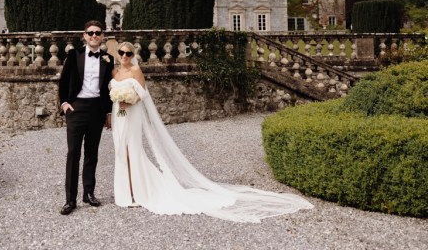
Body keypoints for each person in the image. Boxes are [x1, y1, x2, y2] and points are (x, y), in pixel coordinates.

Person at [109, 42, 314, 222]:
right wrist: (118, 102)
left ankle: (138, 192)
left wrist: (130, 100)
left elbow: (143, 95)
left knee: (132, 149)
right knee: (120, 150)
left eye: (128, 53)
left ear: (132, 55)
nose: (125, 56)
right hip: (119, 113)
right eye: (122, 53)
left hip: (132, 113)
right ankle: (124, 192)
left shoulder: (136, 72)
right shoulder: (115, 72)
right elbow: (111, 92)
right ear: (118, 54)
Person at [58, 20, 114, 215]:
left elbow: (108, 89)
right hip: (77, 108)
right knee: (73, 153)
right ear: (84, 35)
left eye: (97, 33)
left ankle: (89, 193)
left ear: (102, 36)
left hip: (96, 109)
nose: (94, 36)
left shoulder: (109, 58)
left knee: (92, 153)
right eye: (90, 33)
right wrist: (64, 104)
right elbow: (63, 81)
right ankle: (70, 200)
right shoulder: (74, 55)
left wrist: (108, 113)